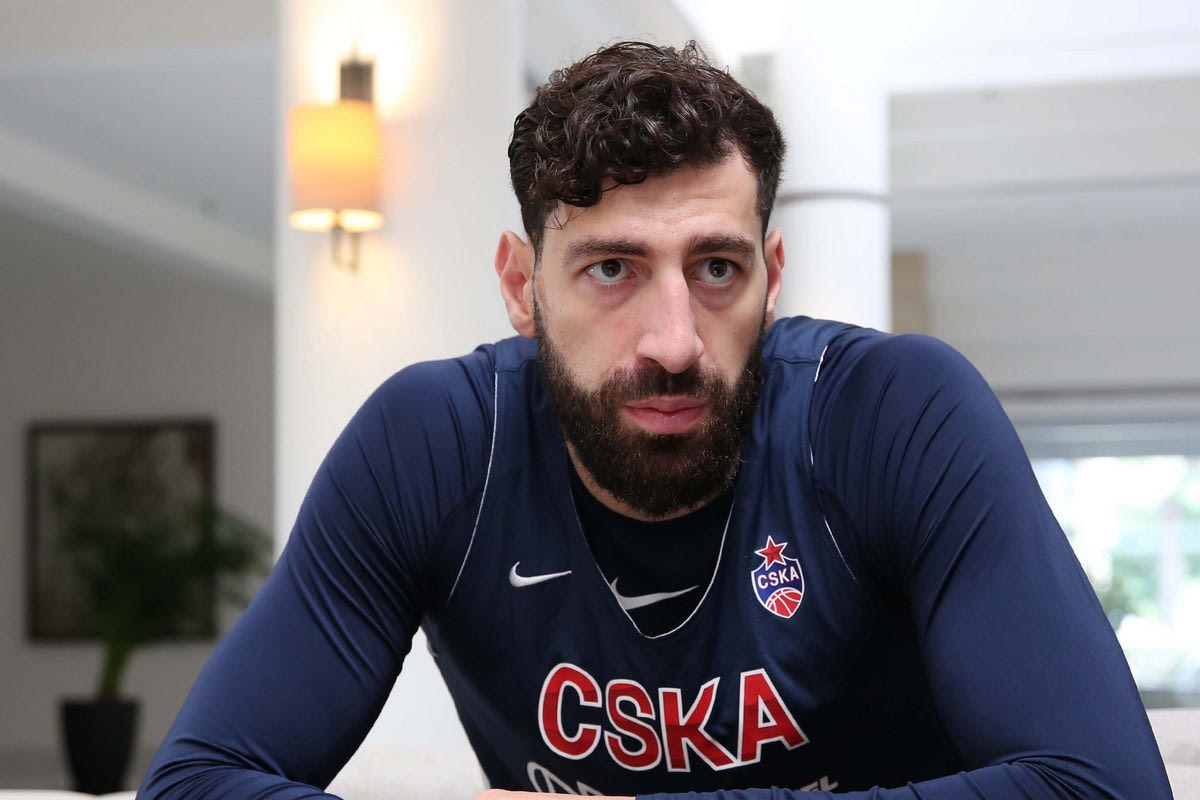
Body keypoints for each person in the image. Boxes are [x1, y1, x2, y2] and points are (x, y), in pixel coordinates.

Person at [140, 41, 1171, 799]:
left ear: (772, 278)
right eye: (611, 269)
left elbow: (1105, 787)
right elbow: (195, 782)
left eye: (716, 267)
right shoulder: (438, 444)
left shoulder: (894, 414)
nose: (674, 340)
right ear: (521, 284)